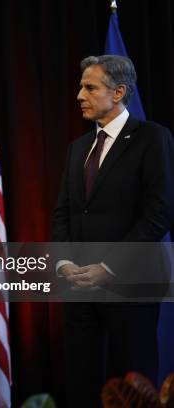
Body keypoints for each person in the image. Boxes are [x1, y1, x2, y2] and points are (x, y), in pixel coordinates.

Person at [52, 55, 174, 406]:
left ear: (119, 92)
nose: (79, 95)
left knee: (133, 389)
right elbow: (63, 213)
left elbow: (159, 213)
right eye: (80, 87)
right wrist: (64, 266)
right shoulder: (78, 148)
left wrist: (107, 267)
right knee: (81, 384)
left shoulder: (152, 138)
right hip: (79, 287)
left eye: (90, 87)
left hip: (130, 286)